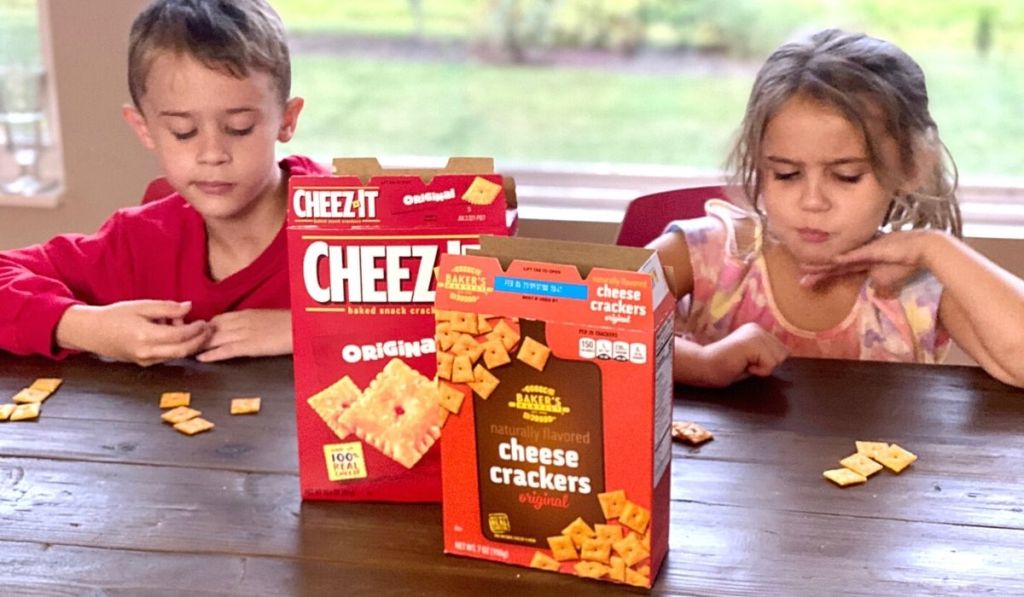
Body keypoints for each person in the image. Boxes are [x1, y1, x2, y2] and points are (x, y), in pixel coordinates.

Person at [649, 29, 1024, 388]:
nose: (813, 202)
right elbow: (590, 325)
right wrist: (701, 365)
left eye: (846, 176)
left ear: (912, 167)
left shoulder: (916, 287)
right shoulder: (709, 257)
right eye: (786, 174)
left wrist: (935, 247)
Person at [0, 0, 328, 365]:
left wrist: (311, 326)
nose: (212, 154)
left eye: (239, 128)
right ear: (145, 129)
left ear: (286, 120)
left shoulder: (355, 221)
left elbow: (405, 317)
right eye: (183, 132)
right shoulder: (138, 244)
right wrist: (87, 327)